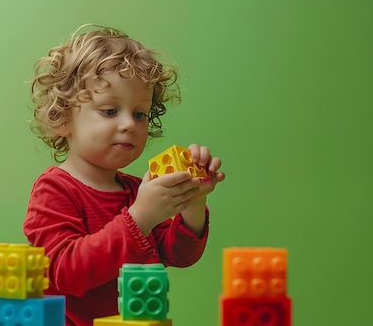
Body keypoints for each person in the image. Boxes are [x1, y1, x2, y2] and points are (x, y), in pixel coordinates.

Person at [22, 24, 225, 326]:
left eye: (140, 113)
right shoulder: (54, 190)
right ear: (63, 118)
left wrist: (191, 202)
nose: (130, 124)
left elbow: (179, 254)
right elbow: (64, 272)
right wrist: (140, 217)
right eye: (109, 111)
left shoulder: (135, 190)